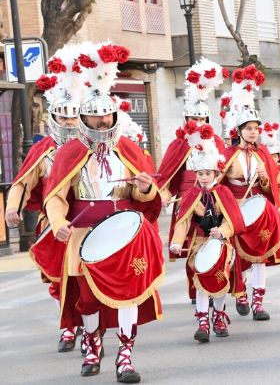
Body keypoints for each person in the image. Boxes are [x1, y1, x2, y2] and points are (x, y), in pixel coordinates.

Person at [44, 41, 163, 382]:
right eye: (94, 115)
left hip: (124, 233)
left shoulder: (129, 149)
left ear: (114, 115)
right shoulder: (68, 152)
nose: (101, 120)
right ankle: (93, 346)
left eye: (106, 115)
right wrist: (58, 223)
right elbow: (56, 196)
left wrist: (144, 187)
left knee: (127, 296)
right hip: (82, 235)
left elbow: (149, 199)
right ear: (82, 118)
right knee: (87, 300)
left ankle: (125, 356)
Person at [5, 43, 82, 352]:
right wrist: (13, 209)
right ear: (53, 118)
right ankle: (68, 326)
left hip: (85, 219)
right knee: (62, 278)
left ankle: (93, 324)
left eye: (73, 118)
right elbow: (23, 183)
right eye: (63, 119)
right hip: (54, 222)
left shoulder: (91, 147)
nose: (69, 124)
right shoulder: (43, 150)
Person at [169, 124, 246, 342]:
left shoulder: (224, 192)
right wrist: (176, 243)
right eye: (200, 173)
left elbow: (234, 221)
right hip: (199, 242)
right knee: (201, 279)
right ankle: (203, 320)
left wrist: (222, 231)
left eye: (208, 173)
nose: (203, 177)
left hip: (221, 244)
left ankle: (219, 315)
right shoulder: (191, 194)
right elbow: (182, 222)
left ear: (215, 173)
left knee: (219, 280)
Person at [219, 65, 280, 321]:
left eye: (256, 127)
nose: (254, 131)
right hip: (235, 209)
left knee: (260, 257)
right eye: (248, 128)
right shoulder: (228, 154)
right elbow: (218, 183)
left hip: (258, 209)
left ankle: (258, 302)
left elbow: (272, 188)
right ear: (239, 131)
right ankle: (241, 293)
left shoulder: (263, 153)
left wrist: (265, 180)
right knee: (237, 255)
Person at [157, 58, 227, 270]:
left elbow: (224, 169)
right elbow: (167, 174)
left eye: (201, 120)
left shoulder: (217, 142)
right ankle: (195, 286)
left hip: (212, 196)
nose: (197, 124)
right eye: (193, 119)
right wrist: (165, 194)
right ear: (186, 118)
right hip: (187, 196)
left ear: (208, 120)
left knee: (213, 238)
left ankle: (213, 281)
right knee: (189, 240)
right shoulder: (178, 143)